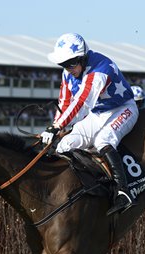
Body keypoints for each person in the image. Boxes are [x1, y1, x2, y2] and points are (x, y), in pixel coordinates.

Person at [41, 33, 138, 215]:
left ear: (83, 58)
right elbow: (64, 102)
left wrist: (57, 127)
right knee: (64, 145)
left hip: (122, 108)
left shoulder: (99, 71)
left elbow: (82, 104)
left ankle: (123, 192)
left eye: (71, 63)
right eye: (63, 64)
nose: (68, 69)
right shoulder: (67, 72)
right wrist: (54, 126)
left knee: (103, 140)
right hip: (98, 113)